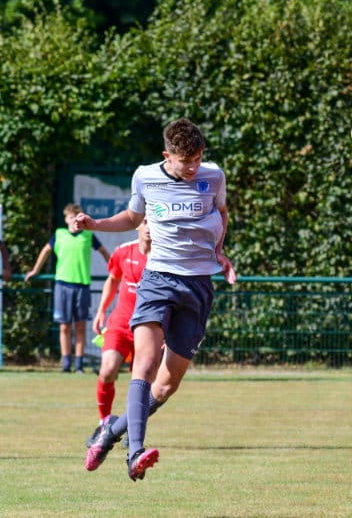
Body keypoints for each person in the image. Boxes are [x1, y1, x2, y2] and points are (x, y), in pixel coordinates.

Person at [75, 118, 237, 481]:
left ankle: (108, 435)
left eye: (197, 158)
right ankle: (135, 453)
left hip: (198, 287)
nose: (193, 167)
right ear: (167, 156)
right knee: (144, 365)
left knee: (165, 386)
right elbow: (132, 216)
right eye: (185, 161)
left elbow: (222, 213)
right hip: (158, 280)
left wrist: (219, 251)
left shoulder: (214, 177)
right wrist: (95, 224)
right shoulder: (145, 177)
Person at [84, 219, 151, 448]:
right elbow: (112, 280)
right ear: (137, 226)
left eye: (153, 222)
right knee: (107, 370)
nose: (149, 227)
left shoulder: (164, 256)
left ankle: (133, 427)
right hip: (120, 324)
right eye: (144, 222)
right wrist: (101, 311)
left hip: (148, 328)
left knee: (141, 383)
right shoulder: (123, 251)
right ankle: (104, 423)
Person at [25, 203, 111, 373]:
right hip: (62, 285)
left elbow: (104, 252)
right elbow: (45, 251)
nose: (74, 221)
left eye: (77, 217)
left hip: (82, 286)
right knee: (64, 326)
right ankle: (66, 364)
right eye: (71, 217)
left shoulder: (88, 235)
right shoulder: (59, 234)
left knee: (80, 326)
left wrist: (115, 270)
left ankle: (78, 365)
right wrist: (35, 270)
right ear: (66, 219)